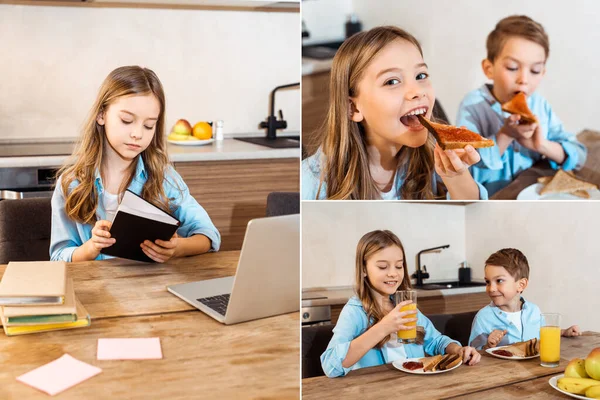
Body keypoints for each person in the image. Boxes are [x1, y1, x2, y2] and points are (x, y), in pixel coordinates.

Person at [50, 66, 220, 262]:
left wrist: (177, 248)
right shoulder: (72, 183)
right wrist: (90, 249)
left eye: (149, 125)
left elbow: (209, 235)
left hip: (146, 290)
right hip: (92, 290)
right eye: (127, 120)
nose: (138, 134)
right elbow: (57, 258)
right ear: (101, 115)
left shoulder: (163, 178)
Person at [302, 26, 487, 200]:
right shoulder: (311, 182)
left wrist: (455, 175)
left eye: (420, 76)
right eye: (392, 81)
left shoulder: (432, 160)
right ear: (354, 108)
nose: (417, 91)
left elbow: (471, 207)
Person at [321, 230, 481, 378]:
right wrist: (384, 327)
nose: (393, 273)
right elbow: (331, 366)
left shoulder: (405, 306)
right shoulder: (355, 312)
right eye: (383, 266)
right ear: (363, 269)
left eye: (399, 265)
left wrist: (458, 350)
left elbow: (435, 341)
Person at [456, 15, 587, 196]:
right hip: (491, 202)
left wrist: (541, 145)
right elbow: (462, 165)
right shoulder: (473, 106)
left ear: (543, 73)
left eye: (534, 70)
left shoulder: (539, 105)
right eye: (512, 67)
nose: (524, 80)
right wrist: (505, 135)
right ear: (489, 69)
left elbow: (579, 155)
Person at [469, 248, 580, 350]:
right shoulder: (483, 318)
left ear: (521, 285)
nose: (491, 288)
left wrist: (564, 332)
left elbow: (543, 334)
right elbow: (473, 354)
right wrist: (489, 345)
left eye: (499, 281)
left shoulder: (534, 311)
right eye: (488, 282)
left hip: (534, 369)